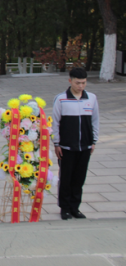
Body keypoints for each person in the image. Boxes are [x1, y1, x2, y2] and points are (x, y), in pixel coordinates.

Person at [53, 67, 99, 220]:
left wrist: (93, 141)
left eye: (84, 83)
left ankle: (75, 207)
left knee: (79, 179)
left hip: (85, 146)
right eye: (78, 83)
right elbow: (56, 123)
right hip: (66, 147)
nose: (81, 86)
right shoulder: (61, 99)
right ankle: (64, 208)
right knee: (66, 179)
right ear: (70, 81)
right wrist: (57, 143)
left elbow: (95, 121)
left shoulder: (91, 98)